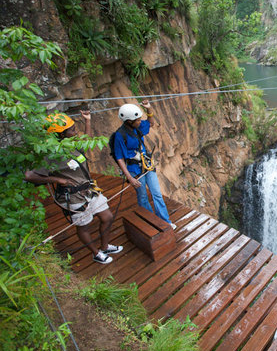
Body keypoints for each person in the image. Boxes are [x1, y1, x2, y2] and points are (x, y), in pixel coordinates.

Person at [24, 111, 122, 264]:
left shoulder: (73, 145)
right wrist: (57, 179)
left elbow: (87, 141)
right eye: (72, 130)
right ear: (61, 135)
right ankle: (96, 253)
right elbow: (29, 176)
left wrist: (87, 121)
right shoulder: (50, 154)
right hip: (73, 196)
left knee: (107, 217)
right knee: (84, 226)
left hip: (89, 190)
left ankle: (105, 246)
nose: (75, 132)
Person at [113, 101, 173, 227]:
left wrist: (149, 109)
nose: (140, 121)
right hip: (134, 169)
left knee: (156, 193)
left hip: (146, 165)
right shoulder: (120, 136)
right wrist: (129, 177)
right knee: (143, 197)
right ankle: (151, 221)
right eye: (138, 120)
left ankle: (165, 222)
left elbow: (151, 123)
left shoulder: (137, 127)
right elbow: (119, 158)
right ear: (129, 121)